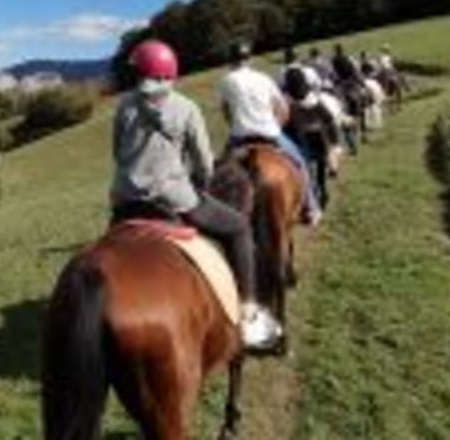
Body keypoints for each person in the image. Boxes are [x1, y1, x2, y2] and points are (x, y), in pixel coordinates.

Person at [110, 39, 284, 350]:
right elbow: (204, 162)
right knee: (239, 228)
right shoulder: (187, 108)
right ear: (170, 72)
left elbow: (118, 155)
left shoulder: (124, 105)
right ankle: (247, 310)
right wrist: (200, 184)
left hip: (125, 198)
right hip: (172, 198)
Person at [218, 39, 323, 227]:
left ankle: (221, 215)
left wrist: (237, 125)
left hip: (239, 137)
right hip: (270, 134)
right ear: (249, 59)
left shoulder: (226, 79)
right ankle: (311, 208)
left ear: (231, 60)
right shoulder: (264, 78)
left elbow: (226, 112)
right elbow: (283, 109)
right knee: (300, 162)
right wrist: (277, 127)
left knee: (219, 172)